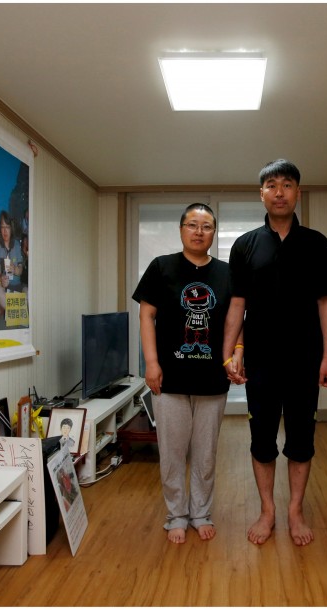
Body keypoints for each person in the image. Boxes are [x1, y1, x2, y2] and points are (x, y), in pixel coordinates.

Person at [222, 159, 327, 546]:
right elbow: (238, 304)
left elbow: (326, 303)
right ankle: (268, 510)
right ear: (262, 194)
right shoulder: (245, 245)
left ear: (297, 193)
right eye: (271, 185)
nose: (279, 191)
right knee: (262, 438)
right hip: (261, 361)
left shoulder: (317, 244)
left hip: (306, 359)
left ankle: (295, 510)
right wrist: (229, 354)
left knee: (302, 438)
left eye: (287, 184)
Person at [132, 203, 241, 544]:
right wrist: (151, 363)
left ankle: (201, 513)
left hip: (213, 379)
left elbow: (236, 323)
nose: (198, 231)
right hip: (170, 378)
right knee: (173, 452)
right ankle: (176, 514)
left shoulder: (227, 273)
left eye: (206, 226)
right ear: (181, 230)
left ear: (213, 233)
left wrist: (236, 354)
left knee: (206, 453)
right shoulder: (161, 268)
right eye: (192, 225)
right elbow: (146, 316)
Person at [0, 211, 26, 328]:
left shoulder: (16, 244)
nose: (4, 231)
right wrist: (1, 279)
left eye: (7, 227)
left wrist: (16, 269)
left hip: (17, 285)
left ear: (11, 228)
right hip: (5, 288)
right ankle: (19, 314)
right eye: (2, 227)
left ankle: (12, 312)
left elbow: (21, 269)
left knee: (27, 291)